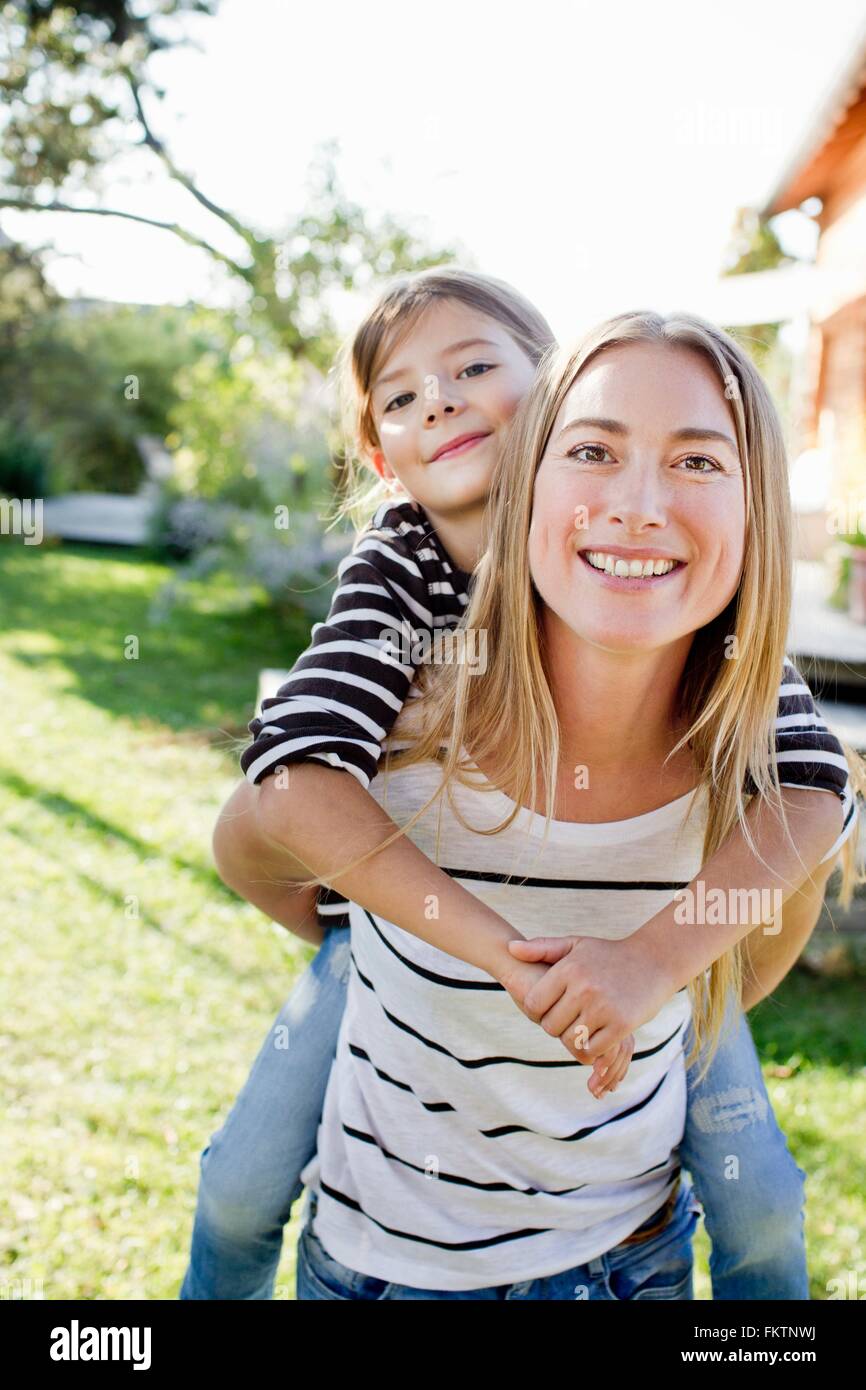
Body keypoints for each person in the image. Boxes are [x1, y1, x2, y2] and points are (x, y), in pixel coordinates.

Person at [179, 276, 862, 1300]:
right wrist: (397, 924)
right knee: (240, 1177)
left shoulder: (713, 649)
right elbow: (289, 784)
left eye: (470, 370)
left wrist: (651, 965)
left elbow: (812, 797)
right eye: (399, 399)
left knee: (759, 1195)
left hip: (643, 1046)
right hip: (388, 931)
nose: (438, 404)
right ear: (380, 458)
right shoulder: (399, 573)